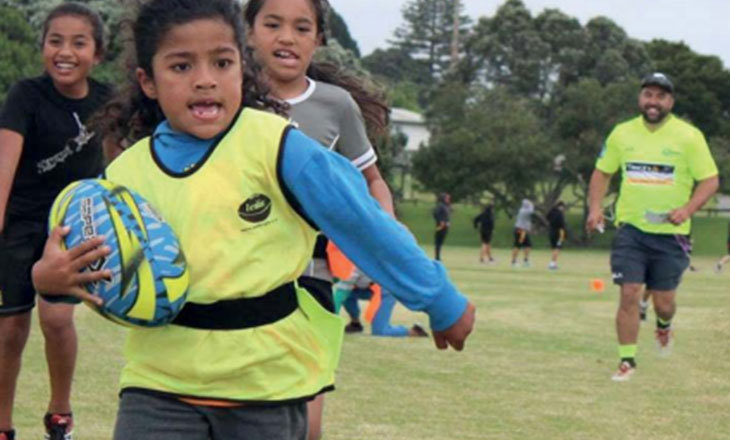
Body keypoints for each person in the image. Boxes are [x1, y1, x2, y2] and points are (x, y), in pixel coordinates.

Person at [29, 2, 476, 440]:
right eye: (182, 67)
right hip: (157, 387)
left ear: (242, 67)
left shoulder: (278, 146)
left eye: (222, 63)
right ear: (148, 81)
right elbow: (98, 270)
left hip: (264, 388)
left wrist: (438, 299)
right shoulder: (126, 176)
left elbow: (365, 226)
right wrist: (49, 279)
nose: (205, 81)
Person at [243, 1, 394, 437]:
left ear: (318, 39)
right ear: (249, 32)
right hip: (235, 275)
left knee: (307, 420)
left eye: (301, 27)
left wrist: (386, 234)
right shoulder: (229, 95)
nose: (286, 37)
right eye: (272, 24)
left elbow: (374, 181)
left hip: (311, 276)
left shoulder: (336, 105)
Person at [0, 4, 112, 439]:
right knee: (10, 328)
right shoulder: (25, 96)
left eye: (78, 42)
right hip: (20, 226)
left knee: (58, 321)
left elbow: (120, 171)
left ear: (97, 53)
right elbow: (4, 169)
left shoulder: (105, 102)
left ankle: (59, 415)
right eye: (55, 41)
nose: (65, 52)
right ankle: (3, 424)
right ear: (43, 46)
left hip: (70, 230)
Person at [586, 72, 718, 381]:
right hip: (631, 231)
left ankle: (664, 324)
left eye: (660, 96)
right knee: (629, 292)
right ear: (640, 99)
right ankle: (627, 360)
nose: (653, 102)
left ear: (670, 101)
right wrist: (595, 209)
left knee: (664, 302)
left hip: (671, 236)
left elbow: (710, 180)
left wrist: (687, 209)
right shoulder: (622, 133)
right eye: (648, 95)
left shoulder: (689, 136)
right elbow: (602, 173)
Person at [336, 268, 428, 337]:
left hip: (385, 290)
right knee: (347, 293)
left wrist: (328, 321)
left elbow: (338, 298)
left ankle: (413, 331)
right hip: (364, 287)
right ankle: (355, 323)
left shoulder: (351, 268)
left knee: (379, 331)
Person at [510, 199, 533, 267]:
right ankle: (513, 262)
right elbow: (532, 210)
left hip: (522, 230)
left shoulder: (522, 210)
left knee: (528, 245)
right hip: (520, 230)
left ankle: (526, 260)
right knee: (517, 245)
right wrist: (532, 204)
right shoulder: (525, 211)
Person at [546, 201, 567, 270]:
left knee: (554, 248)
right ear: (561, 206)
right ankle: (552, 263)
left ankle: (553, 262)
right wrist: (563, 236)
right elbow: (562, 225)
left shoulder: (551, 212)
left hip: (551, 232)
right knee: (557, 248)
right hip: (558, 233)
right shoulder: (559, 214)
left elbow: (547, 217)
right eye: (563, 207)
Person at [433, 193, 451, 261]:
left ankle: (438, 256)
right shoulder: (440, 206)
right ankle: (437, 256)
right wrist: (441, 221)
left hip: (445, 226)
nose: (448, 200)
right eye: (447, 198)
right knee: (438, 241)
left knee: (441, 242)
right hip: (440, 226)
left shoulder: (446, 206)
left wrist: (448, 222)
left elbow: (446, 216)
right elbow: (435, 214)